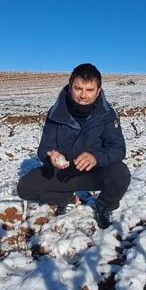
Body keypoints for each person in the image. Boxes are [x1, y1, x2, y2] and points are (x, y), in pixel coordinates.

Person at [17, 63, 131, 229]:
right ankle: (67, 199)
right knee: (25, 187)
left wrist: (96, 158)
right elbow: (44, 149)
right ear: (70, 87)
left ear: (98, 91)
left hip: (94, 172)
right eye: (78, 88)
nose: (83, 95)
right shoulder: (56, 113)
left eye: (90, 90)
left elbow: (118, 149)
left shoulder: (107, 115)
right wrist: (52, 157)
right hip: (63, 172)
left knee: (120, 173)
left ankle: (103, 207)